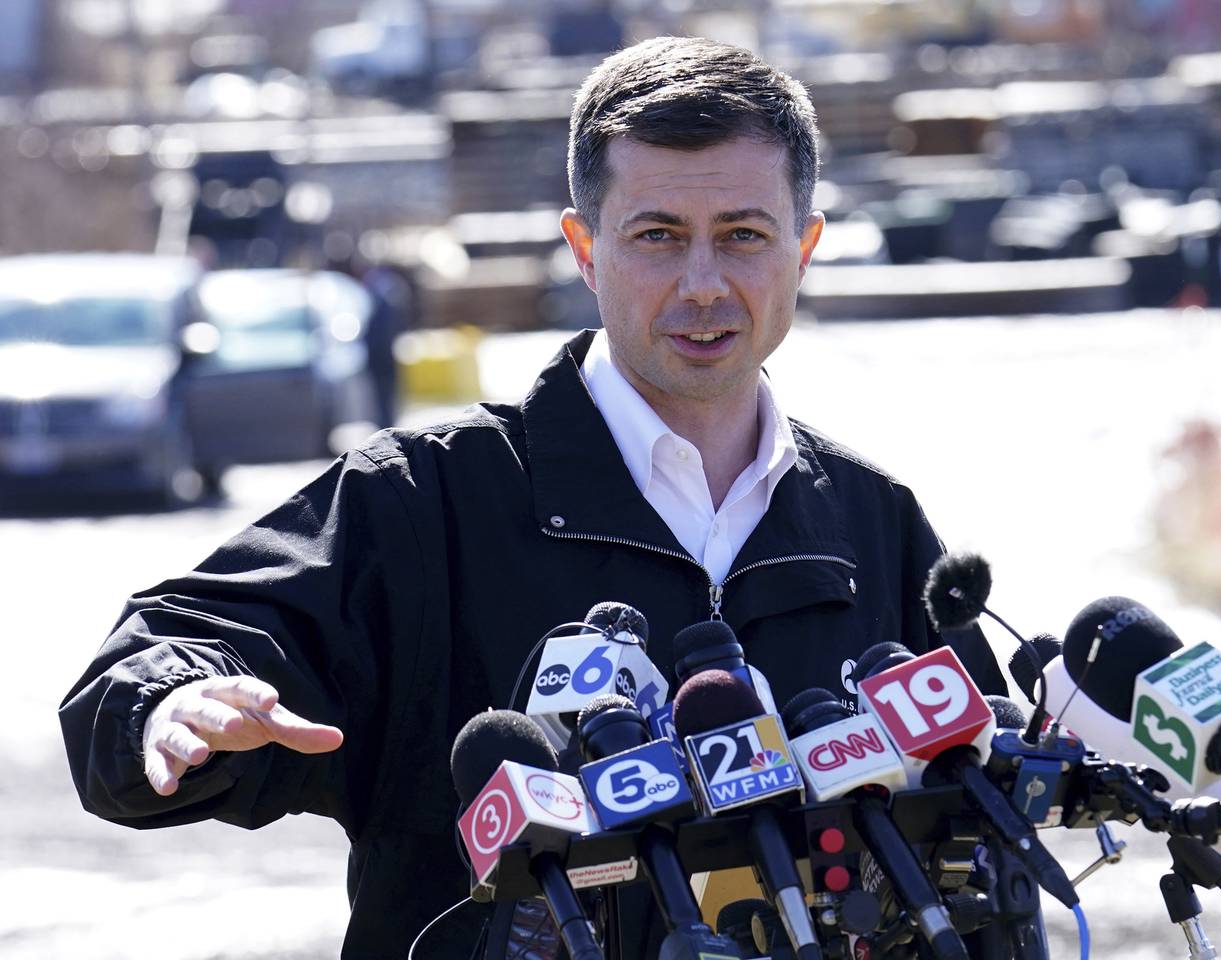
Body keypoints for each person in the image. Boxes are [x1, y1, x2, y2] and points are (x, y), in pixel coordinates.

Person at [59, 36, 1007, 960]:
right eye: (658, 236)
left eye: (744, 236)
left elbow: (983, 822)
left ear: (803, 248)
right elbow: (173, 649)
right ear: (585, 248)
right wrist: (170, 700)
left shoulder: (870, 523)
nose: (704, 284)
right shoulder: (425, 499)